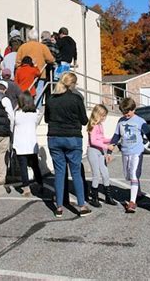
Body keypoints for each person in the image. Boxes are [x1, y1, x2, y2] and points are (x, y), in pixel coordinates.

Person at [44, 72, 91, 218]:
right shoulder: (76, 98)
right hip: (72, 137)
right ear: (73, 84)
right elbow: (84, 120)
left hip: (54, 137)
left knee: (59, 172)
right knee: (75, 172)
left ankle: (59, 207)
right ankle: (82, 206)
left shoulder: (51, 98)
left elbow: (46, 119)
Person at [108, 97, 150, 213]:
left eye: (128, 112)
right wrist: (109, 151)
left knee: (133, 175)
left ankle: (132, 202)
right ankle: (139, 192)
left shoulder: (140, 121)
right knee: (128, 175)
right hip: (125, 151)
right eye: (123, 112)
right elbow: (116, 136)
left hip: (137, 151)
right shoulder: (121, 121)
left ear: (134, 109)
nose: (126, 114)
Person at [13, 91, 43, 196]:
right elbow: (37, 122)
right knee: (35, 166)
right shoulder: (36, 113)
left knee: (23, 167)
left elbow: (11, 124)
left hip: (20, 144)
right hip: (31, 143)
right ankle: (40, 183)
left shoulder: (17, 114)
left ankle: (26, 188)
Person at [86, 104, 116, 207]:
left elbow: (101, 138)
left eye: (105, 116)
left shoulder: (100, 125)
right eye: (103, 116)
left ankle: (108, 197)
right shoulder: (93, 125)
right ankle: (94, 198)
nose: (104, 118)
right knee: (96, 175)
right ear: (97, 114)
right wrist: (107, 147)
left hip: (100, 151)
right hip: (93, 151)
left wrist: (112, 140)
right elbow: (93, 141)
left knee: (105, 173)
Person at [15, 30, 55, 94]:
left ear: (28, 37)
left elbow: (17, 62)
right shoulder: (43, 47)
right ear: (37, 37)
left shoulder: (22, 47)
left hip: (25, 75)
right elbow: (51, 59)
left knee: (25, 94)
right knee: (38, 95)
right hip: (40, 73)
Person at [39, 30, 60, 109]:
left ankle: (39, 105)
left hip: (41, 70)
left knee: (41, 88)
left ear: (42, 38)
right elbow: (59, 57)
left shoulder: (40, 46)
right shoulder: (54, 45)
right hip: (51, 69)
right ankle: (49, 107)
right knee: (49, 89)